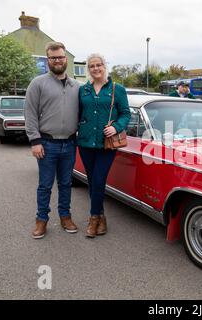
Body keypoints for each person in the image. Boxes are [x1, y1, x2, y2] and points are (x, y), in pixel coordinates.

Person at [25, 42, 80, 239]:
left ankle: (65, 216)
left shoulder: (77, 86)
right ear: (48, 60)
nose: (57, 60)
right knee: (45, 185)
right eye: (53, 57)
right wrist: (34, 141)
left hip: (70, 144)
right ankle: (41, 220)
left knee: (66, 184)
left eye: (61, 57)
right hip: (46, 144)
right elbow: (30, 113)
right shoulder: (38, 83)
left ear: (66, 59)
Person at [77, 53, 130, 238]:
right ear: (88, 69)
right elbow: (78, 113)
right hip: (85, 142)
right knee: (92, 181)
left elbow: (125, 114)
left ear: (104, 66)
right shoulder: (83, 90)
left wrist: (116, 127)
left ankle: (93, 218)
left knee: (99, 180)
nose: (95, 68)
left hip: (106, 144)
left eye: (98, 65)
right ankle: (101, 217)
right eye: (91, 66)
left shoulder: (117, 89)